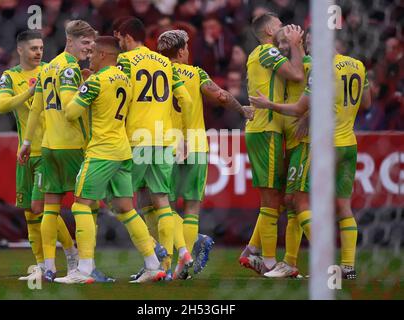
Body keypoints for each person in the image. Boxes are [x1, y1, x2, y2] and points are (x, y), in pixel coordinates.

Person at [249, 47, 371, 280]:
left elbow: (298, 108)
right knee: (343, 206)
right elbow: (366, 103)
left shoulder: (321, 68)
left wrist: (269, 105)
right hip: (349, 143)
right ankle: (348, 266)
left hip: (325, 145)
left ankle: (314, 260)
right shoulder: (357, 65)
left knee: (297, 199)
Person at [54, 36, 165, 284]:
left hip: (101, 151)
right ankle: (153, 265)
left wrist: (70, 87)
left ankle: (83, 270)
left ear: (103, 55)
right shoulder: (125, 79)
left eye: (93, 52)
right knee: (126, 209)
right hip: (123, 151)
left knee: (81, 206)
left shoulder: (95, 81)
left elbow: (71, 113)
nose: (90, 56)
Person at [156, 29, 254, 279]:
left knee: (162, 207)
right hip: (195, 144)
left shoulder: (156, 72)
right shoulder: (195, 73)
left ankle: (163, 265)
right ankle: (182, 266)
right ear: (180, 51)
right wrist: (241, 108)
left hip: (163, 144)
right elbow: (220, 96)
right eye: (186, 47)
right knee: (190, 207)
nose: (188, 50)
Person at [18, 20, 97, 282]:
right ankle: (84, 264)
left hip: (48, 147)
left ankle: (50, 267)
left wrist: (27, 143)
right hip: (72, 145)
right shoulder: (70, 68)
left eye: (93, 43)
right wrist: (90, 89)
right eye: (85, 43)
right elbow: (69, 107)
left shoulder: (47, 67)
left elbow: (35, 109)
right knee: (86, 205)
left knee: (50, 208)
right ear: (70, 41)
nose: (90, 48)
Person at [0, 30, 78, 281]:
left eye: (41, 48)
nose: (39, 52)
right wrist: (29, 94)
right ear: (20, 50)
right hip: (26, 152)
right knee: (30, 214)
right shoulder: (10, 76)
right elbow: (1, 106)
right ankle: (42, 266)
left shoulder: (49, 70)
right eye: (33, 48)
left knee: (40, 206)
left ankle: (71, 252)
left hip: (48, 150)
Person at [115, 17, 194, 276]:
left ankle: (153, 251)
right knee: (162, 201)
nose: (119, 45)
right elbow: (186, 99)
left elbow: (120, 95)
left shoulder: (125, 61)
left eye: (119, 40)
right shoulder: (165, 63)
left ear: (127, 37)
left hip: (136, 139)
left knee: (121, 201)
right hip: (163, 140)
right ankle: (169, 262)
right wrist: (181, 132)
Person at [239, 12, 305, 274]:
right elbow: (297, 75)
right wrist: (297, 45)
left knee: (275, 198)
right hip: (266, 130)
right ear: (268, 31)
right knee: (271, 199)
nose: (283, 27)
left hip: (267, 129)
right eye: (279, 25)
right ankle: (268, 262)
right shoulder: (267, 52)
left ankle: (253, 252)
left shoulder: (263, 54)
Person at [263, 27, 311, 278]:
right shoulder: (289, 64)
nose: (281, 46)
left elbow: (328, 97)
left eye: (286, 41)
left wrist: (309, 115)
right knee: (292, 202)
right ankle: (290, 263)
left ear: (298, 41)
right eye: (280, 41)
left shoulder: (308, 65)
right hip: (293, 142)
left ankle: (328, 259)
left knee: (298, 201)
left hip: (306, 142)